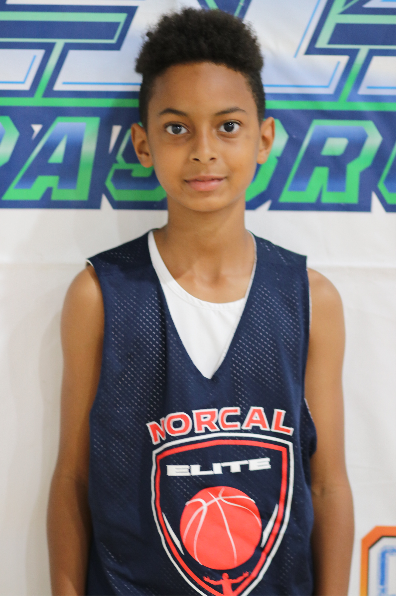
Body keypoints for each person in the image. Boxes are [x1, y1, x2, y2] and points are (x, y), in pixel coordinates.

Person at [47, 8, 354, 597]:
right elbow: (73, 479)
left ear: (264, 138)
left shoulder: (311, 299)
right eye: (177, 128)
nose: (203, 150)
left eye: (228, 126)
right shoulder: (100, 295)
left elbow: (327, 485)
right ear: (143, 144)